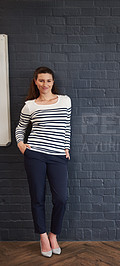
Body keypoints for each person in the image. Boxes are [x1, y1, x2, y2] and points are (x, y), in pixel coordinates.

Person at [15, 67, 71, 258]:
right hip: (35, 155)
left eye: (48, 81)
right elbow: (20, 128)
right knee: (38, 198)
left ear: (53, 82)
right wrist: (22, 145)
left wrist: (66, 147)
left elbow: (66, 125)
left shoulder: (65, 100)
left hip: (58, 156)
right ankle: (43, 237)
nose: (45, 84)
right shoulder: (30, 105)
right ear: (35, 82)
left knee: (61, 199)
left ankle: (54, 235)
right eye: (41, 81)